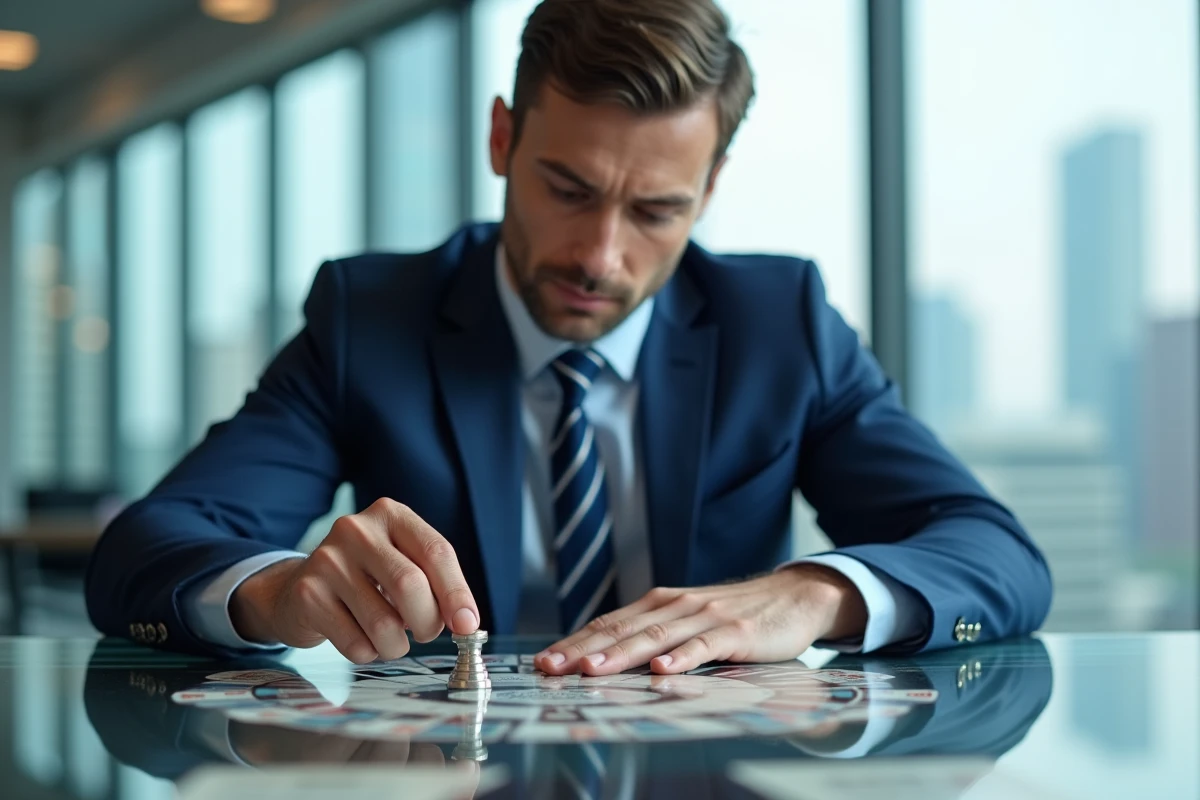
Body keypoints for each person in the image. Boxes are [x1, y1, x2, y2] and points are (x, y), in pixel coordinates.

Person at [85, 0, 1051, 675]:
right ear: (503, 139)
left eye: (658, 211)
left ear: (710, 191)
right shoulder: (368, 320)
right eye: (569, 189)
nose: (601, 256)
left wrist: (810, 595)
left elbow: (995, 554)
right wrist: (276, 592)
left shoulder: (781, 325)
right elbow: (146, 548)